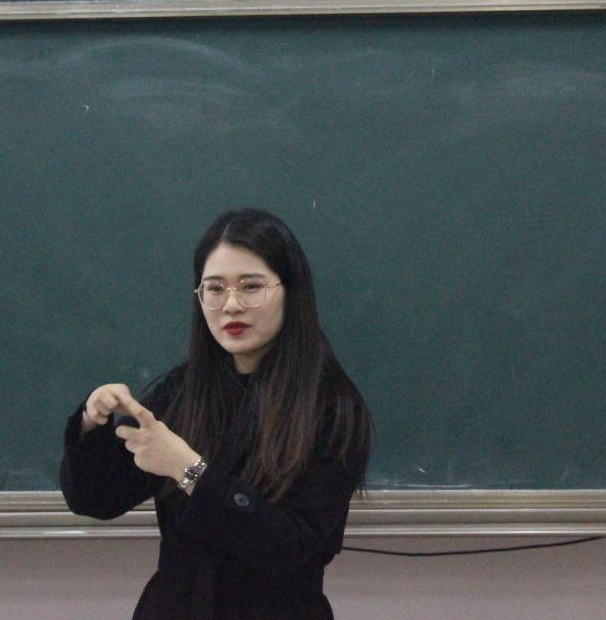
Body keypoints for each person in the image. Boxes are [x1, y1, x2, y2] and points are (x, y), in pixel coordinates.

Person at [60, 208, 372, 620]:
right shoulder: (182, 392)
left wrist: (188, 470)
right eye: (215, 289)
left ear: (291, 291)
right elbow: (96, 499)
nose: (231, 305)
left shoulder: (332, 407)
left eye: (251, 286)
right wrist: (91, 422)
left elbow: (290, 549)